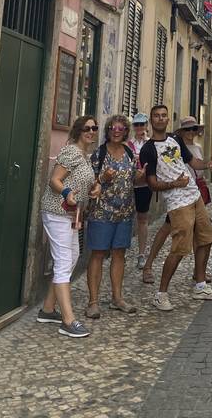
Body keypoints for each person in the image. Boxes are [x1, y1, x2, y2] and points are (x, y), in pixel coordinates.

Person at [140, 104, 212, 309]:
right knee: (179, 249)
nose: (160, 118)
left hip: (194, 196)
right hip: (177, 202)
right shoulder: (148, 149)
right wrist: (174, 184)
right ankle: (161, 294)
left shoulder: (175, 139)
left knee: (206, 239)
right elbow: (151, 183)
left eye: (164, 115)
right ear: (151, 120)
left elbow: (192, 162)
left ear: (168, 119)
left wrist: (209, 164)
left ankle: (200, 285)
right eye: (156, 116)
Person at [37, 115, 101, 338]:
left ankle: (47, 309)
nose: (91, 131)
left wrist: (96, 188)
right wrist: (66, 193)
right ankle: (68, 320)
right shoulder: (71, 151)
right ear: (77, 131)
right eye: (86, 128)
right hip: (57, 212)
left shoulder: (85, 155)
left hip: (72, 215)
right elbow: (54, 180)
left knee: (72, 256)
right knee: (64, 261)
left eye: (94, 128)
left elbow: (82, 181)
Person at [85, 114, 142, 318]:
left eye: (120, 129)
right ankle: (93, 302)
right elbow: (89, 184)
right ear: (107, 131)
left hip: (125, 213)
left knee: (119, 254)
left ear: (126, 131)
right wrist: (102, 177)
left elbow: (133, 178)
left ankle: (117, 298)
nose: (116, 132)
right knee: (98, 254)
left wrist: (141, 175)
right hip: (102, 212)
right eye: (112, 128)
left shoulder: (129, 152)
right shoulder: (98, 154)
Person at [127, 112, 151, 269]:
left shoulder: (151, 144)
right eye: (137, 125)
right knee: (126, 218)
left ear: (146, 126)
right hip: (129, 185)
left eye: (142, 124)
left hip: (144, 186)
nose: (140, 127)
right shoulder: (128, 144)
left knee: (142, 219)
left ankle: (142, 254)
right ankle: (121, 249)